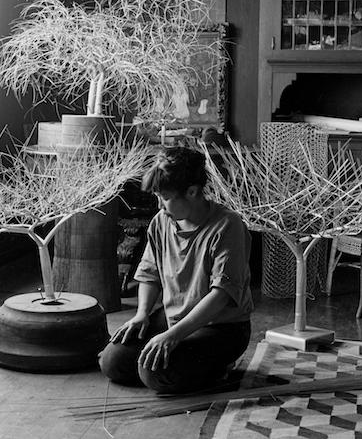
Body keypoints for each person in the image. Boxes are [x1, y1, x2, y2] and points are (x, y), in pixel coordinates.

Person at [99, 145, 253, 394]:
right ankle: (186, 362)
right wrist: (142, 314)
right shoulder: (161, 222)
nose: (159, 205)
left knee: (154, 374)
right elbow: (150, 274)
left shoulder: (228, 226)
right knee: (112, 362)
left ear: (192, 191)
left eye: (165, 197)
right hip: (173, 317)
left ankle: (219, 365)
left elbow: (221, 294)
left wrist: (173, 336)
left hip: (220, 327)